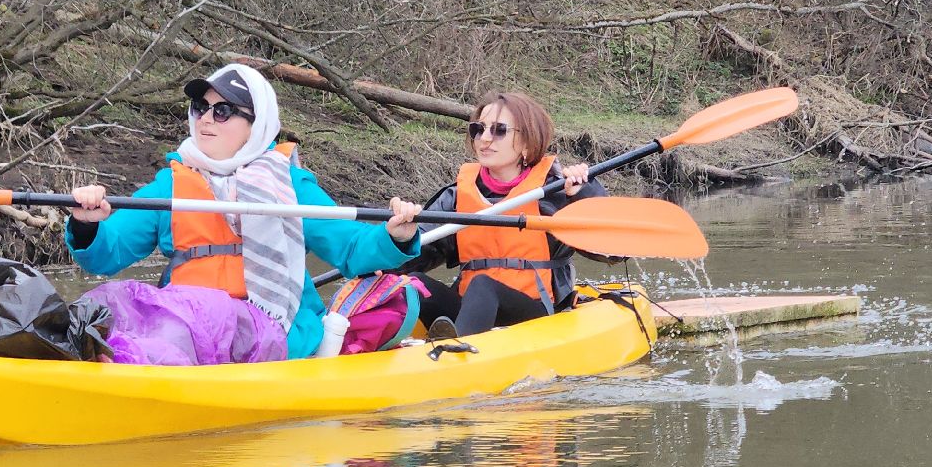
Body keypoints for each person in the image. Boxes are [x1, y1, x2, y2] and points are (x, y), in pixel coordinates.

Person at [67, 63, 424, 362]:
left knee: (205, 316)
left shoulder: (289, 185)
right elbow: (106, 255)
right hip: (183, 320)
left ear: (256, 124)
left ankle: (130, 364)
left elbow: (351, 248)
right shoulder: (172, 184)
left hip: (271, 329)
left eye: (222, 111)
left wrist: (395, 235)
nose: (206, 119)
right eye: (200, 107)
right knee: (106, 304)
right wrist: (86, 224)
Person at [404, 90, 613, 338]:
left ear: (527, 143)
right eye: (478, 129)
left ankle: (457, 350)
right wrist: (395, 243)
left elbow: (611, 251)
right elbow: (417, 253)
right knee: (412, 283)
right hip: (472, 310)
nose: (484, 138)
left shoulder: (554, 192)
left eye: (499, 130)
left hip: (537, 311)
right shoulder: (456, 198)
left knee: (484, 285)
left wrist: (583, 194)